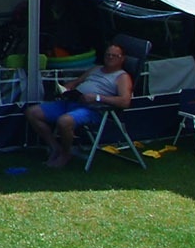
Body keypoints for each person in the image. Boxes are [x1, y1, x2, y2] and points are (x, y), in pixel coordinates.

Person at [26, 40, 134, 168]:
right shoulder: (96, 69)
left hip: (92, 109)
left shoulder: (122, 77)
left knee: (64, 122)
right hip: (72, 101)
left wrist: (98, 98)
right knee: (32, 112)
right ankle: (55, 147)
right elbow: (76, 82)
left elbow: (125, 101)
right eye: (107, 54)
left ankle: (66, 154)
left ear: (122, 59)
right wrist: (66, 89)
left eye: (114, 55)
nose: (110, 58)